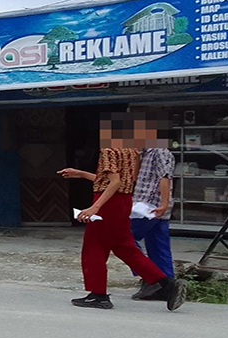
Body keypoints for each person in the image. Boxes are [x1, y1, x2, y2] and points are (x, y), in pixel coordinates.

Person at [58, 113, 186, 311]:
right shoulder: (131, 152)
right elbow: (121, 182)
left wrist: (95, 207)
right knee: (126, 248)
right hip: (124, 202)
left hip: (108, 203)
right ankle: (166, 284)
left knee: (93, 248)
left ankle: (98, 295)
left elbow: (114, 182)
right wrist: (81, 174)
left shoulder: (109, 150)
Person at [130, 117, 177, 300]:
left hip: (149, 206)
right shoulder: (144, 153)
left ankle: (150, 277)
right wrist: (135, 156)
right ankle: (166, 285)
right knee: (158, 245)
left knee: (124, 238)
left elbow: (164, 178)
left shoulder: (160, 152)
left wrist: (164, 204)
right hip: (145, 205)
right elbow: (134, 178)